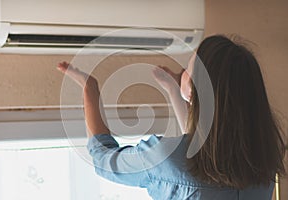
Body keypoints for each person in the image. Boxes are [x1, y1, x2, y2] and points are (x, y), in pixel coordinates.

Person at [57, 35, 286, 200]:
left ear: (198, 88)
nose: (182, 72)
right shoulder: (263, 156)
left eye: (187, 68)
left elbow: (103, 158)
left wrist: (90, 88)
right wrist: (176, 92)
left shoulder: (165, 157)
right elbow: (201, 146)